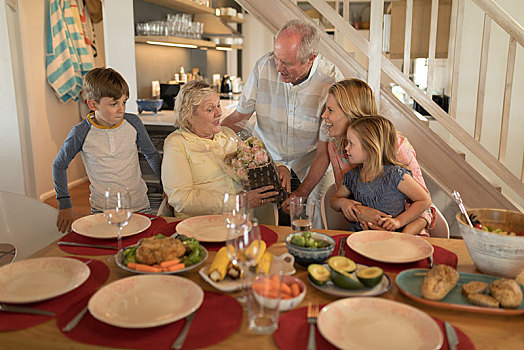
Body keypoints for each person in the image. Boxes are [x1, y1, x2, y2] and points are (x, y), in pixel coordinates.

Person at [221, 19, 343, 229]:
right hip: (268, 155)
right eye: (276, 58)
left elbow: (324, 153)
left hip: (310, 160)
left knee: (316, 221)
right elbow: (239, 118)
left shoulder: (331, 81)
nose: (278, 67)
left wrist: (301, 194)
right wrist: (208, 137)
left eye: (287, 63)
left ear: (310, 59)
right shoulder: (263, 66)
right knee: (261, 222)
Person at [53, 67, 162, 233]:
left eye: (124, 102)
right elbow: (59, 165)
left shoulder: (133, 123)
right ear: (93, 104)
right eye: (114, 104)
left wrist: (167, 188)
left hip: (140, 206)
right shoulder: (81, 132)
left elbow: (152, 155)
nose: (121, 109)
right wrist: (65, 204)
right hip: (103, 210)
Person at [323, 79, 435, 235]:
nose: (323, 115)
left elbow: (425, 207)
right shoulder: (335, 146)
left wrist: (399, 234)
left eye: (330, 110)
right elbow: (344, 198)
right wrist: (356, 209)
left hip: (406, 235)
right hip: (363, 235)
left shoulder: (396, 145)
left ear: (351, 112)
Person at [161, 80, 279, 219]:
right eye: (210, 109)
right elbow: (181, 199)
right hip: (201, 226)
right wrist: (240, 202)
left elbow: (253, 166)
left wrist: (278, 167)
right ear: (189, 115)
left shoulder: (228, 134)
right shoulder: (177, 143)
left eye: (218, 105)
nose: (219, 113)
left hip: (241, 222)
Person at [331, 116, 432, 233]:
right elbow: (334, 200)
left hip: (392, 242)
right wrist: (342, 202)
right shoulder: (352, 177)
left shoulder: (395, 176)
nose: (346, 148)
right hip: (359, 240)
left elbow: (424, 200)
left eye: (351, 143)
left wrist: (399, 221)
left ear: (370, 147)